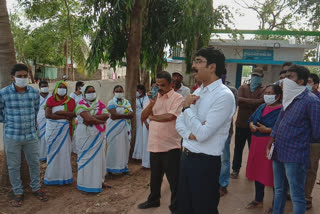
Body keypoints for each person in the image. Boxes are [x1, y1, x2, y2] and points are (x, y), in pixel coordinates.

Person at [175, 47, 235, 214]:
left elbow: (202, 134)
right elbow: (179, 123)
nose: (194, 65)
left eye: (198, 61)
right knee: (185, 207)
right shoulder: (199, 91)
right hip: (186, 158)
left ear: (212, 67)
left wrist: (188, 109)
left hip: (205, 163)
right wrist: (189, 133)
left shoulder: (224, 96)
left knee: (203, 208)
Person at [266, 65, 320, 214]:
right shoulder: (288, 97)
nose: (285, 80)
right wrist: (271, 139)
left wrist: (298, 138)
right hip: (279, 151)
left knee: (296, 195)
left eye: (290, 77)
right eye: (285, 77)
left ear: (301, 81)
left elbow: (317, 131)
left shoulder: (311, 101)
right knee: (278, 190)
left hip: (295, 155)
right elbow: (279, 120)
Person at [0, 63, 48, 207]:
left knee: (34, 162)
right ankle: (18, 192)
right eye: (19, 76)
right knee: (13, 165)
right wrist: (10, 121)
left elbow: (34, 112)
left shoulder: (34, 94)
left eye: (25, 76)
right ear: (12, 77)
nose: (22, 78)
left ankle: (36, 188)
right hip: (12, 136)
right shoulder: (3, 93)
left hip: (31, 136)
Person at [138, 71, 184, 214]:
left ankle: (176, 206)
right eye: (157, 85)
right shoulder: (153, 98)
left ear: (171, 84)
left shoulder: (178, 98)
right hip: (154, 144)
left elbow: (170, 116)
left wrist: (153, 118)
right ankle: (153, 199)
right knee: (155, 177)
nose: (160, 88)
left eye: (163, 85)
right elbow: (143, 117)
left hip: (171, 146)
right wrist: (152, 103)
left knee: (174, 180)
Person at [245, 85, 282, 211]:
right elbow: (251, 119)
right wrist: (251, 125)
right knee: (257, 171)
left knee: (272, 174)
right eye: (266, 92)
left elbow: (282, 129)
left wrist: (269, 130)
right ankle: (258, 199)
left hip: (269, 145)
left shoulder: (282, 110)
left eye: (270, 93)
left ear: (277, 96)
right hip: (256, 143)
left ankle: (275, 204)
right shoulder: (262, 107)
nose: (267, 95)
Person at [231, 67, 265, 179]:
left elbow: (261, 103)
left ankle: (252, 171)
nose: (255, 78)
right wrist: (253, 102)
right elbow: (238, 99)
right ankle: (235, 170)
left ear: (261, 78)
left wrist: (246, 101)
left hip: (255, 126)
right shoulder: (243, 87)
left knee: (253, 150)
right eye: (254, 75)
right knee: (238, 148)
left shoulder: (264, 90)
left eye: (258, 76)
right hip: (241, 123)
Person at [74, 84, 109, 193]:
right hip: (85, 136)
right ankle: (85, 184)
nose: (91, 93)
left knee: (99, 159)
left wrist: (93, 118)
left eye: (93, 91)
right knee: (86, 159)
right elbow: (88, 119)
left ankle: (98, 182)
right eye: (88, 92)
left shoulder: (100, 104)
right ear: (84, 94)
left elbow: (106, 115)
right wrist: (100, 121)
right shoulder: (80, 105)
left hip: (98, 135)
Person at [44, 80, 76, 185]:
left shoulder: (71, 101)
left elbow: (73, 114)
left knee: (65, 153)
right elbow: (48, 115)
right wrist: (64, 115)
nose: (62, 89)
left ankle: (65, 177)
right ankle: (52, 177)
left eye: (64, 87)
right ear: (56, 88)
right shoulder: (50, 100)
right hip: (52, 130)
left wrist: (61, 113)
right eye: (60, 87)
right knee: (52, 152)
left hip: (65, 130)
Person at [106, 85, 134, 174]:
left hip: (124, 128)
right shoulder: (111, 103)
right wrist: (126, 116)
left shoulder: (127, 102)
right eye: (117, 91)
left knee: (125, 147)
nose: (119, 93)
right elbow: (113, 116)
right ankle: (111, 168)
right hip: (113, 128)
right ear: (113, 92)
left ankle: (123, 167)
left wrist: (121, 116)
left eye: (120, 91)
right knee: (114, 147)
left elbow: (132, 114)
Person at [219, 74, 238, 197]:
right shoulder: (205, 89)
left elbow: (232, 110)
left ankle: (223, 184)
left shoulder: (231, 91)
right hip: (209, 131)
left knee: (224, 158)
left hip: (225, 131)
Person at [305, 73, 320, 209]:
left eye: (309, 82)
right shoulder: (301, 98)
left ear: (316, 85)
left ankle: (307, 197)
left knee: (311, 168)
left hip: (315, 140)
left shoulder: (318, 99)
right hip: (301, 139)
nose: (307, 85)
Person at [132, 85, 150, 168]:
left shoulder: (147, 98)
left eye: (139, 90)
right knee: (138, 135)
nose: (138, 92)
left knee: (144, 136)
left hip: (145, 117)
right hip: (137, 117)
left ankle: (143, 156)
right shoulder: (134, 99)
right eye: (137, 90)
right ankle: (137, 155)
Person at [38, 80, 51, 161]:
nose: (44, 88)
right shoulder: (37, 97)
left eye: (46, 86)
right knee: (41, 138)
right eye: (42, 86)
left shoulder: (52, 96)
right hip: (39, 119)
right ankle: (41, 155)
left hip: (50, 119)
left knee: (49, 137)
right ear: (39, 88)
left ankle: (49, 155)